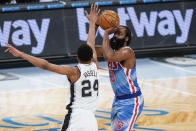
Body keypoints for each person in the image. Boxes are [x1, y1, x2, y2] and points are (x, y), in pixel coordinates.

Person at [5, 3, 100, 131]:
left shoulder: (74, 71)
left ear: (77, 57)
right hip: (92, 122)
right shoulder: (95, 65)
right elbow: (91, 42)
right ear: (91, 56)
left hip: (75, 119)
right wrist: (93, 23)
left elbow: (45, 65)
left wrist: (21, 54)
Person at [94, 25, 144, 131]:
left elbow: (109, 57)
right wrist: (94, 27)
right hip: (118, 100)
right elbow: (90, 49)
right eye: (115, 33)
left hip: (131, 100)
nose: (115, 36)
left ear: (126, 39)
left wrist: (106, 34)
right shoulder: (111, 51)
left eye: (119, 33)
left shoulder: (127, 52)